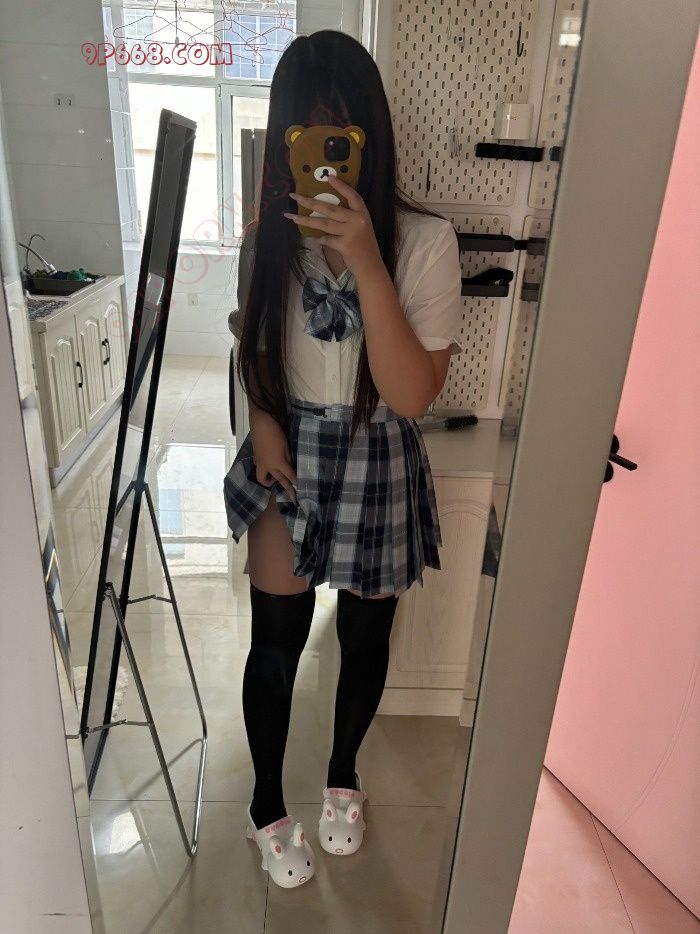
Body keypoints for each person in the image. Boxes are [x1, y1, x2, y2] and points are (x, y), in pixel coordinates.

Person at [224, 29, 463, 889]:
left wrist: (366, 259)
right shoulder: (266, 243)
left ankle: (342, 778)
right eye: (306, 130)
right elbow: (255, 348)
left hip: (378, 454)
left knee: (364, 638)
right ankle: (265, 806)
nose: (325, 154)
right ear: (285, 138)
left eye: (342, 130)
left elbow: (411, 394)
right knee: (276, 642)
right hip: (288, 450)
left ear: (370, 134)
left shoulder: (426, 242)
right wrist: (264, 423)